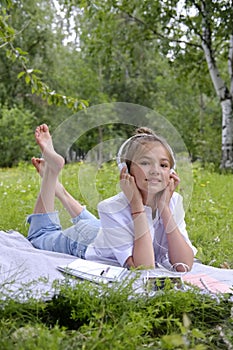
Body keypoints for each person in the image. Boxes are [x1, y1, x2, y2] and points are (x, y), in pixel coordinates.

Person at [27, 124, 197, 272]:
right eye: (145, 163)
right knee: (39, 235)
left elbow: (183, 265)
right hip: (85, 241)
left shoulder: (174, 201)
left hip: (103, 230)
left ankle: (56, 185)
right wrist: (137, 205)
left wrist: (164, 208)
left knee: (98, 224)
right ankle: (51, 173)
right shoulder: (111, 207)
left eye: (163, 165)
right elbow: (144, 267)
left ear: (172, 173)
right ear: (126, 170)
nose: (155, 170)